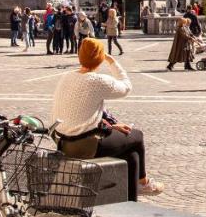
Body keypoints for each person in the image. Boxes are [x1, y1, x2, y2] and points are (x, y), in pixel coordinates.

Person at [52, 37, 164, 199]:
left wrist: (112, 127)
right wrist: (112, 61)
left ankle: (132, 200)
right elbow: (126, 87)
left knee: (131, 154)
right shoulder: (97, 81)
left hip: (63, 143)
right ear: (99, 58)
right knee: (137, 136)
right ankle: (144, 183)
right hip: (86, 146)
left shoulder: (66, 77)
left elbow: (84, 114)